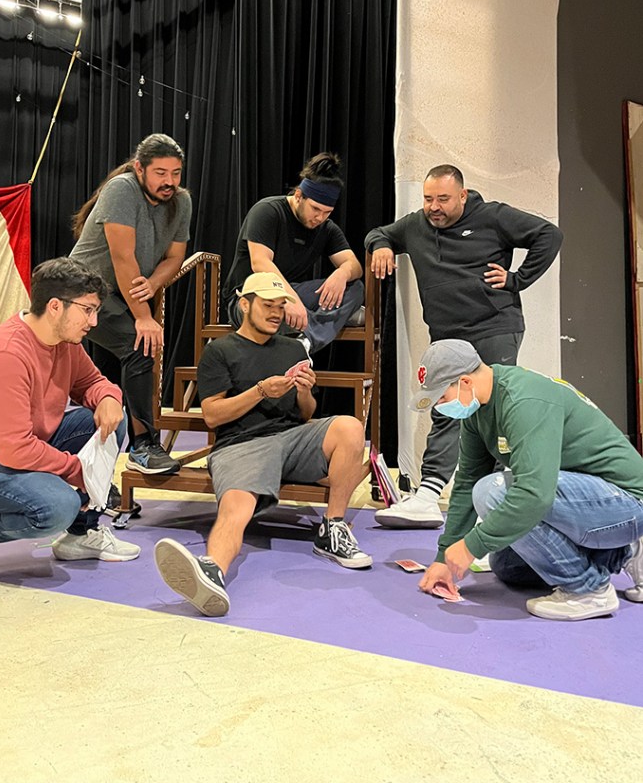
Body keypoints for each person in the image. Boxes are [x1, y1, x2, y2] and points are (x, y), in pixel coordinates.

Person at [153, 271, 372, 616]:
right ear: (245, 305)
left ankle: (334, 528)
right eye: (268, 306)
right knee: (236, 509)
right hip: (241, 445)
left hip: (290, 437)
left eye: (280, 306)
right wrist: (258, 392)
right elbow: (212, 415)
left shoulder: (292, 348)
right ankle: (212, 571)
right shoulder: (221, 350)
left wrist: (303, 391)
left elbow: (306, 414)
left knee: (348, 426)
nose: (276, 313)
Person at [365, 164, 563, 528]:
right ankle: (427, 496)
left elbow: (548, 235)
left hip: (493, 327)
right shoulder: (415, 225)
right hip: (448, 335)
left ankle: (510, 499)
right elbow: (379, 232)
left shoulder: (492, 217)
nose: (434, 207)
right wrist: (380, 246)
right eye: (428, 199)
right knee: (447, 408)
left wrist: (518, 280)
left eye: (442, 199)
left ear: (462, 195)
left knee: (495, 411)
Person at [412, 339, 643, 621]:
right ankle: (621, 551)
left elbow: (534, 494)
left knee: (494, 492)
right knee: (507, 565)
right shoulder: (477, 411)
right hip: (589, 500)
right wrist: (444, 556)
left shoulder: (523, 400)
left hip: (628, 500)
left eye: (442, 398)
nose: (439, 408)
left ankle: (589, 590)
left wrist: (471, 546)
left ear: (465, 382)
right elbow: (466, 482)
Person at [0, 258, 140, 583]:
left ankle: (80, 537)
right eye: (88, 310)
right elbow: (13, 448)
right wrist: (78, 472)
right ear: (55, 306)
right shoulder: (5, 354)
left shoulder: (64, 343)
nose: (95, 321)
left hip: (19, 447)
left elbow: (92, 383)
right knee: (57, 506)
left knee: (108, 422)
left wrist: (110, 399)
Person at [71, 133, 192, 475]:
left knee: (127, 362)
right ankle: (144, 447)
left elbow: (175, 258)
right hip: (82, 289)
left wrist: (153, 283)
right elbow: (123, 259)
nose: (169, 181)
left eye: (176, 173)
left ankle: (102, 468)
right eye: (160, 173)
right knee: (140, 344)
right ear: (140, 169)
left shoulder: (181, 202)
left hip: (120, 293)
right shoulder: (123, 189)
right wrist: (143, 316)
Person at [223, 152, 364, 355]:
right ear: (299, 196)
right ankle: (332, 316)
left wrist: (342, 274)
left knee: (354, 287)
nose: (320, 217)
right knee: (270, 313)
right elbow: (260, 263)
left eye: (327, 212)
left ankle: (306, 341)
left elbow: (354, 265)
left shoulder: (326, 227)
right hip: (250, 296)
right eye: (315, 209)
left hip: (295, 295)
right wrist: (288, 299)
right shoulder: (267, 211)